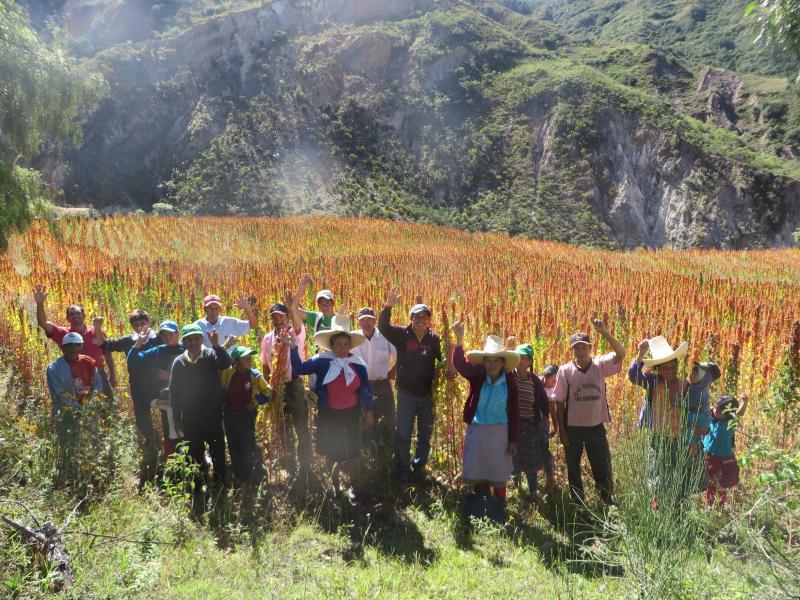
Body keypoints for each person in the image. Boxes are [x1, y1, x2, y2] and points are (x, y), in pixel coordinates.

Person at [284, 316, 374, 501]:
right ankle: (336, 488)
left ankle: (353, 487)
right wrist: (293, 347)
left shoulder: (358, 363)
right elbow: (300, 369)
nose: (342, 347)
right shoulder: (322, 360)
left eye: (346, 343)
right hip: (329, 415)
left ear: (350, 345)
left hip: (351, 414)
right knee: (331, 452)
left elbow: (366, 389)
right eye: (338, 343)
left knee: (353, 451)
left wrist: (369, 412)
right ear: (331, 345)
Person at [554, 320, 626, 505]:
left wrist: (605, 333)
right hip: (573, 428)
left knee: (602, 465)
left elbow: (622, 353)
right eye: (576, 348)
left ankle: (606, 500)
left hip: (595, 426)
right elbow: (559, 402)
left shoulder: (600, 365)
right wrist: (562, 430)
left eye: (583, 347)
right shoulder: (565, 371)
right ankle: (578, 502)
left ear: (590, 348)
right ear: (572, 351)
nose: (580, 351)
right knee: (573, 467)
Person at [378, 288, 443, 486]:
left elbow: (444, 361)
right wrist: (388, 306)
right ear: (411, 319)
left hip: (426, 396)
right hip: (406, 395)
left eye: (424, 317)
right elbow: (383, 327)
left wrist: (448, 369)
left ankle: (419, 466)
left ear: (429, 319)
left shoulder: (435, 340)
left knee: (425, 435)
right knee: (403, 435)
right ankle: (403, 472)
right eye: (416, 317)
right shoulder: (401, 335)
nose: (420, 320)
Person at [452, 323, 519, 506]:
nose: (492, 364)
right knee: (479, 464)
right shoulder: (478, 376)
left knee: (498, 468)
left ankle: (499, 503)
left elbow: (514, 412)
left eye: (497, 360)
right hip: (479, 428)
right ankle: (482, 501)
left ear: (503, 362)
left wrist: (513, 440)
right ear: (484, 362)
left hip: (500, 432)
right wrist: (459, 340)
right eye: (488, 360)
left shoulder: (510, 383)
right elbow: (460, 365)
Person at [630, 336, 701, 505]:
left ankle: (677, 509)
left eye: (673, 366)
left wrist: (694, 439)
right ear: (658, 369)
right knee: (657, 478)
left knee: (679, 479)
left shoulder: (685, 386)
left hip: (680, 440)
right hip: (659, 439)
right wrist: (640, 354)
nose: (670, 371)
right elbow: (634, 376)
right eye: (665, 368)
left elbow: (695, 412)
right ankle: (658, 510)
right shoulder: (653, 383)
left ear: (677, 365)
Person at [96, 308, 161, 484]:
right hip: (139, 387)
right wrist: (97, 325)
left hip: (160, 386)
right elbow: (104, 344)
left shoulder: (159, 337)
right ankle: (152, 447)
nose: (141, 327)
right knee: (142, 418)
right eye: (136, 324)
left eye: (143, 323)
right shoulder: (129, 341)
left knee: (167, 416)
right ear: (132, 327)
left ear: (149, 322)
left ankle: (166, 445)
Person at [169, 324, 232, 493]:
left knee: (218, 451)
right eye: (189, 339)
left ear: (202, 339)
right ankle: (198, 487)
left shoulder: (211, 354)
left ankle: (220, 487)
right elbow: (174, 393)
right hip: (190, 419)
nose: (193, 342)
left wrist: (217, 345)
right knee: (194, 454)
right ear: (184, 342)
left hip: (213, 416)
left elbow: (226, 363)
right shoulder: (179, 362)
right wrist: (177, 419)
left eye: (196, 338)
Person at [259, 294, 312, 479]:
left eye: (281, 316)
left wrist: (293, 306)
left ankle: (305, 465)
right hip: (277, 388)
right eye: (274, 316)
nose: (278, 320)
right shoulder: (267, 339)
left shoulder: (296, 334)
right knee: (282, 428)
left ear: (287, 317)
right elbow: (266, 365)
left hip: (295, 386)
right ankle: (290, 466)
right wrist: (268, 387)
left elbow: (298, 323)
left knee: (301, 426)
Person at [34, 284, 114, 399]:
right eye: (71, 314)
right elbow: (43, 323)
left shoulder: (97, 330)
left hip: (98, 373)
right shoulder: (63, 333)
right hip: (75, 375)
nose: (75, 316)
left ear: (84, 316)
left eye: (78, 313)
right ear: (67, 318)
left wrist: (113, 374)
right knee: (81, 409)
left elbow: (108, 354)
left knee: (108, 407)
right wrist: (40, 304)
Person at [46, 332, 104, 485]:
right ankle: (67, 479)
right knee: (67, 447)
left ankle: (91, 477)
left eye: (77, 345)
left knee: (90, 444)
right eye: (69, 345)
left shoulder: (89, 362)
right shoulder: (53, 368)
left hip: (89, 412)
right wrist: (77, 408)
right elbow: (58, 394)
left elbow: (97, 385)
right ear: (63, 347)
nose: (73, 348)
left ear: (82, 346)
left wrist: (90, 404)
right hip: (66, 415)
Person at [127, 321, 185, 461]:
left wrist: (169, 377)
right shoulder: (158, 350)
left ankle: (189, 459)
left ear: (177, 334)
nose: (167, 337)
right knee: (168, 427)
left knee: (186, 428)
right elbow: (133, 360)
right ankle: (171, 459)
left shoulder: (186, 349)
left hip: (185, 398)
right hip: (165, 398)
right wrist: (139, 341)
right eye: (163, 335)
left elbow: (195, 375)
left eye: (170, 334)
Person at [220, 347, 271, 487]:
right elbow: (218, 385)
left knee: (247, 445)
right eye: (245, 358)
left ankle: (253, 477)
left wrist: (255, 402)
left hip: (246, 416)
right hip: (230, 415)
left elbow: (268, 392)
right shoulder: (228, 374)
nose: (249, 360)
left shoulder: (255, 375)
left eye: (250, 357)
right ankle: (239, 476)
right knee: (233, 444)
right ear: (236, 361)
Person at [511, 343, 555, 499]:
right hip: (513, 425)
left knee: (531, 458)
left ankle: (533, 491)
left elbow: (543, 401)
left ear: (530, 362)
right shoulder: (510, 376)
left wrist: (544, 417)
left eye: (524, 358)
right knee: (513, 456)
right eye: (518, 357)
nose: (520, 361)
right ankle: (514, 486)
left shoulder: (534, 380)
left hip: (530, 424)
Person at [350, 307, 397, 455]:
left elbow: (399, 355)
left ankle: (386, 452)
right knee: (362, 421)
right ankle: (365, 452)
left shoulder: (385, 336)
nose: (366, 323)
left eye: (370, 319)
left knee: (388, 419)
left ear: (375, 321)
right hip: (361, 386)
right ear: (358, 323)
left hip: (382, 384)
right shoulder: (353, 338)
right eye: (363, 320)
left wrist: (394, 370)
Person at [704, 394, 748, 507]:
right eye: (715, 407)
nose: (715, 411)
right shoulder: (711, 418)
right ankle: (709, 506)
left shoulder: (730, 422)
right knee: (710, 484)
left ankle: (721, 506)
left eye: (719, 410)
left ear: (728, 413)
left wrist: (744, 402)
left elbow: (740, 413)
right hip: (710, 457)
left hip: (724, 459)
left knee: (722, 484)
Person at [194, 294, 258, 348]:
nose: (213, 311)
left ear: (221, 309)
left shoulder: (229, 322)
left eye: (216, 308)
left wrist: (247, 308)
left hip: (229, 362)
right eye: (210, 308)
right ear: (204, 309)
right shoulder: (197, 326)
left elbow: (253, 325)